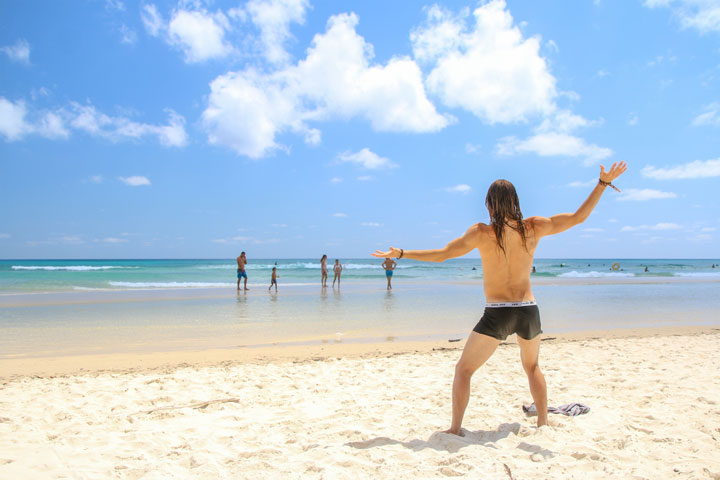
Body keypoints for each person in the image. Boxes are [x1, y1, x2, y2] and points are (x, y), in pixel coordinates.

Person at [372, 162, 627, 431]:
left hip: (498, 312)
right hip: (529, 309)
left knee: (464, 370)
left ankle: (455, 429)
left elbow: (443, 254)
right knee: (532, 367)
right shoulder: (534, 227)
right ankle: (543, 421)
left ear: (490, 204)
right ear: (515, 201)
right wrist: (602, 184)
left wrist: (401, 253)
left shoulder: (481, 233)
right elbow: (578, 217)